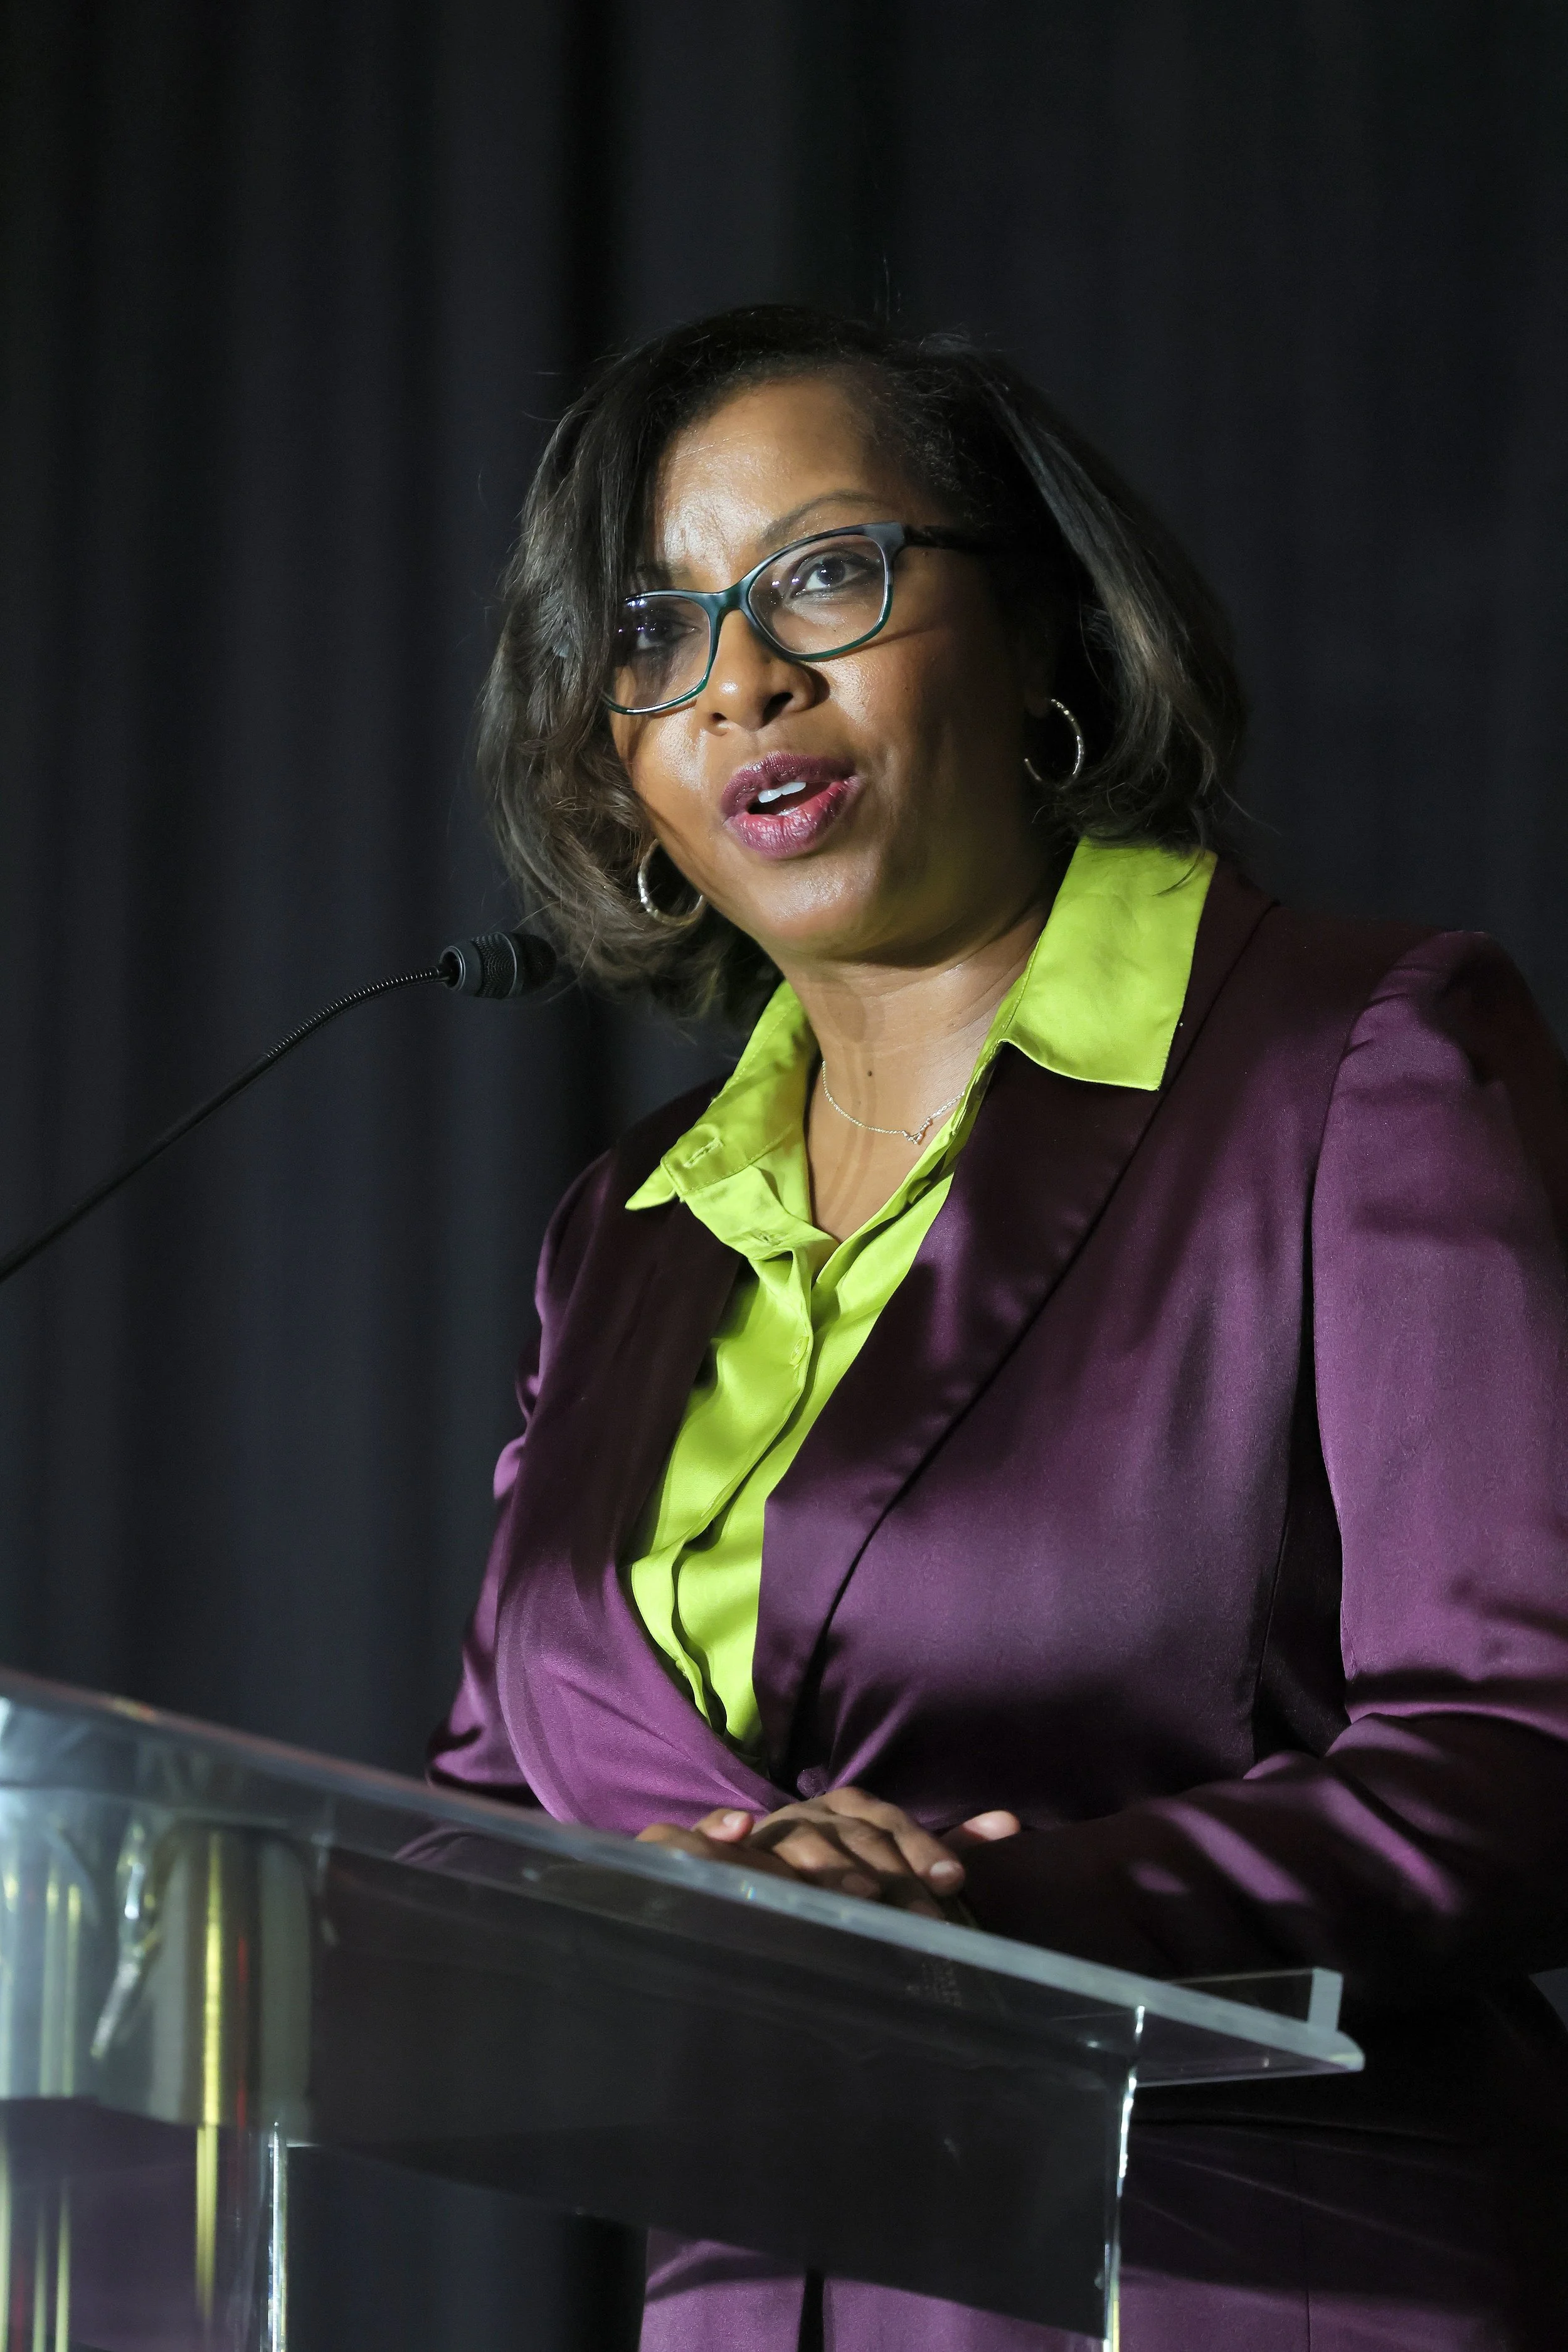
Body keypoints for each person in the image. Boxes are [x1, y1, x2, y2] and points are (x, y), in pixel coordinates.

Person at [429, 305, 1568, 2351]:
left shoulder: (1353, 1064)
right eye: (654, 629)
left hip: (1242, 2285)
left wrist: (973, 1905)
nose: (741, 679)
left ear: (1043, 627)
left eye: (824, 576)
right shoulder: (632, 1229)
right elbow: (491, 1818)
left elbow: (1520, 1747)